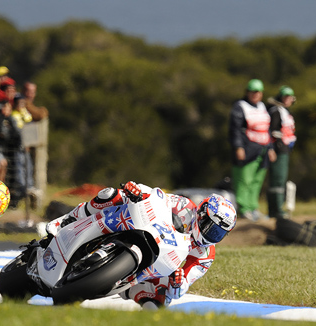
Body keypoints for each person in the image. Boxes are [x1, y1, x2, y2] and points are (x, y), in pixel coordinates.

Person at [43, 181, 237, 309]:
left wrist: (178, 283)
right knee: (111, 195)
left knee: (162, 300)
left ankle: (128, 287)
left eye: (218, 233)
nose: (211, 235)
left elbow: (182, 287)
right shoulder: (184, 205)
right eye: (210, 227)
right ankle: (68, 219)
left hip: (158, 263)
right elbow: (157, 197)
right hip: (144, 226)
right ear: (201, 214)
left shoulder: (206, 254)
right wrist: (137, 191)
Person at [228, 79, 275, 221]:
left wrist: (271, 148)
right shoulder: (240, 106)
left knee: (257, 181)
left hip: (262, 149)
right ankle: (244, 209)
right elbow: (234, 130)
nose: (255, 95)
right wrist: (238, 147)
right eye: (253, 92)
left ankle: (253, 207)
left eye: (258, 92)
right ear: (247, 92)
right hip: (248, 149)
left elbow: (268, 129)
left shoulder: (262, 107)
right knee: (244, 180)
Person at [267, 86, 297, 219]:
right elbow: (272, 131)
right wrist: (274, 147)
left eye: (289, 97)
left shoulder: (286, 111)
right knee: (278, 179)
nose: (287, 99)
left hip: (285, 150)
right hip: (278, 150)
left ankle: (276, 210)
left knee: (281, 179)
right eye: (285, 96)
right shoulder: (276, 111)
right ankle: (276, 210)